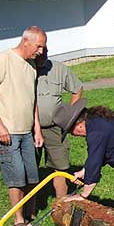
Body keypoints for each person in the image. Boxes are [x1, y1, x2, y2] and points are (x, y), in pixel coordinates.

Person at [0, 26, 47, 226]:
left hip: (27, 131)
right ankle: (19, 221)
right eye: (38, 46)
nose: (41, 52)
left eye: (43, 48)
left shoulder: (30, 66)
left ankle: (29, 215)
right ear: (26, 41)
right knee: (16, 176)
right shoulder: (3, 59)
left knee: (31, 176)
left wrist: (37, 128)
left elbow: (32, 100)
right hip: (6, 131)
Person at [57, 103, 114, 213]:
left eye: (71, 132)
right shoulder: (97, 120)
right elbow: (100, 153)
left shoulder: (96, 132)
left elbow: (94, 161)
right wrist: (84, 171)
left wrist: (83, 195)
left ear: (78, 125)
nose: (74, 135)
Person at [35, 49, 83, 198]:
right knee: (29, 170)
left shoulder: (58, 68)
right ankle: (30, 208)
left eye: (45, 51)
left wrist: (68, 116)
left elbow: (77, 88)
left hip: (54, 128)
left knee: (60, 168)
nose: (42, 55)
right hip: (28, 129)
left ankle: (61, 205)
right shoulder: (24, 69)